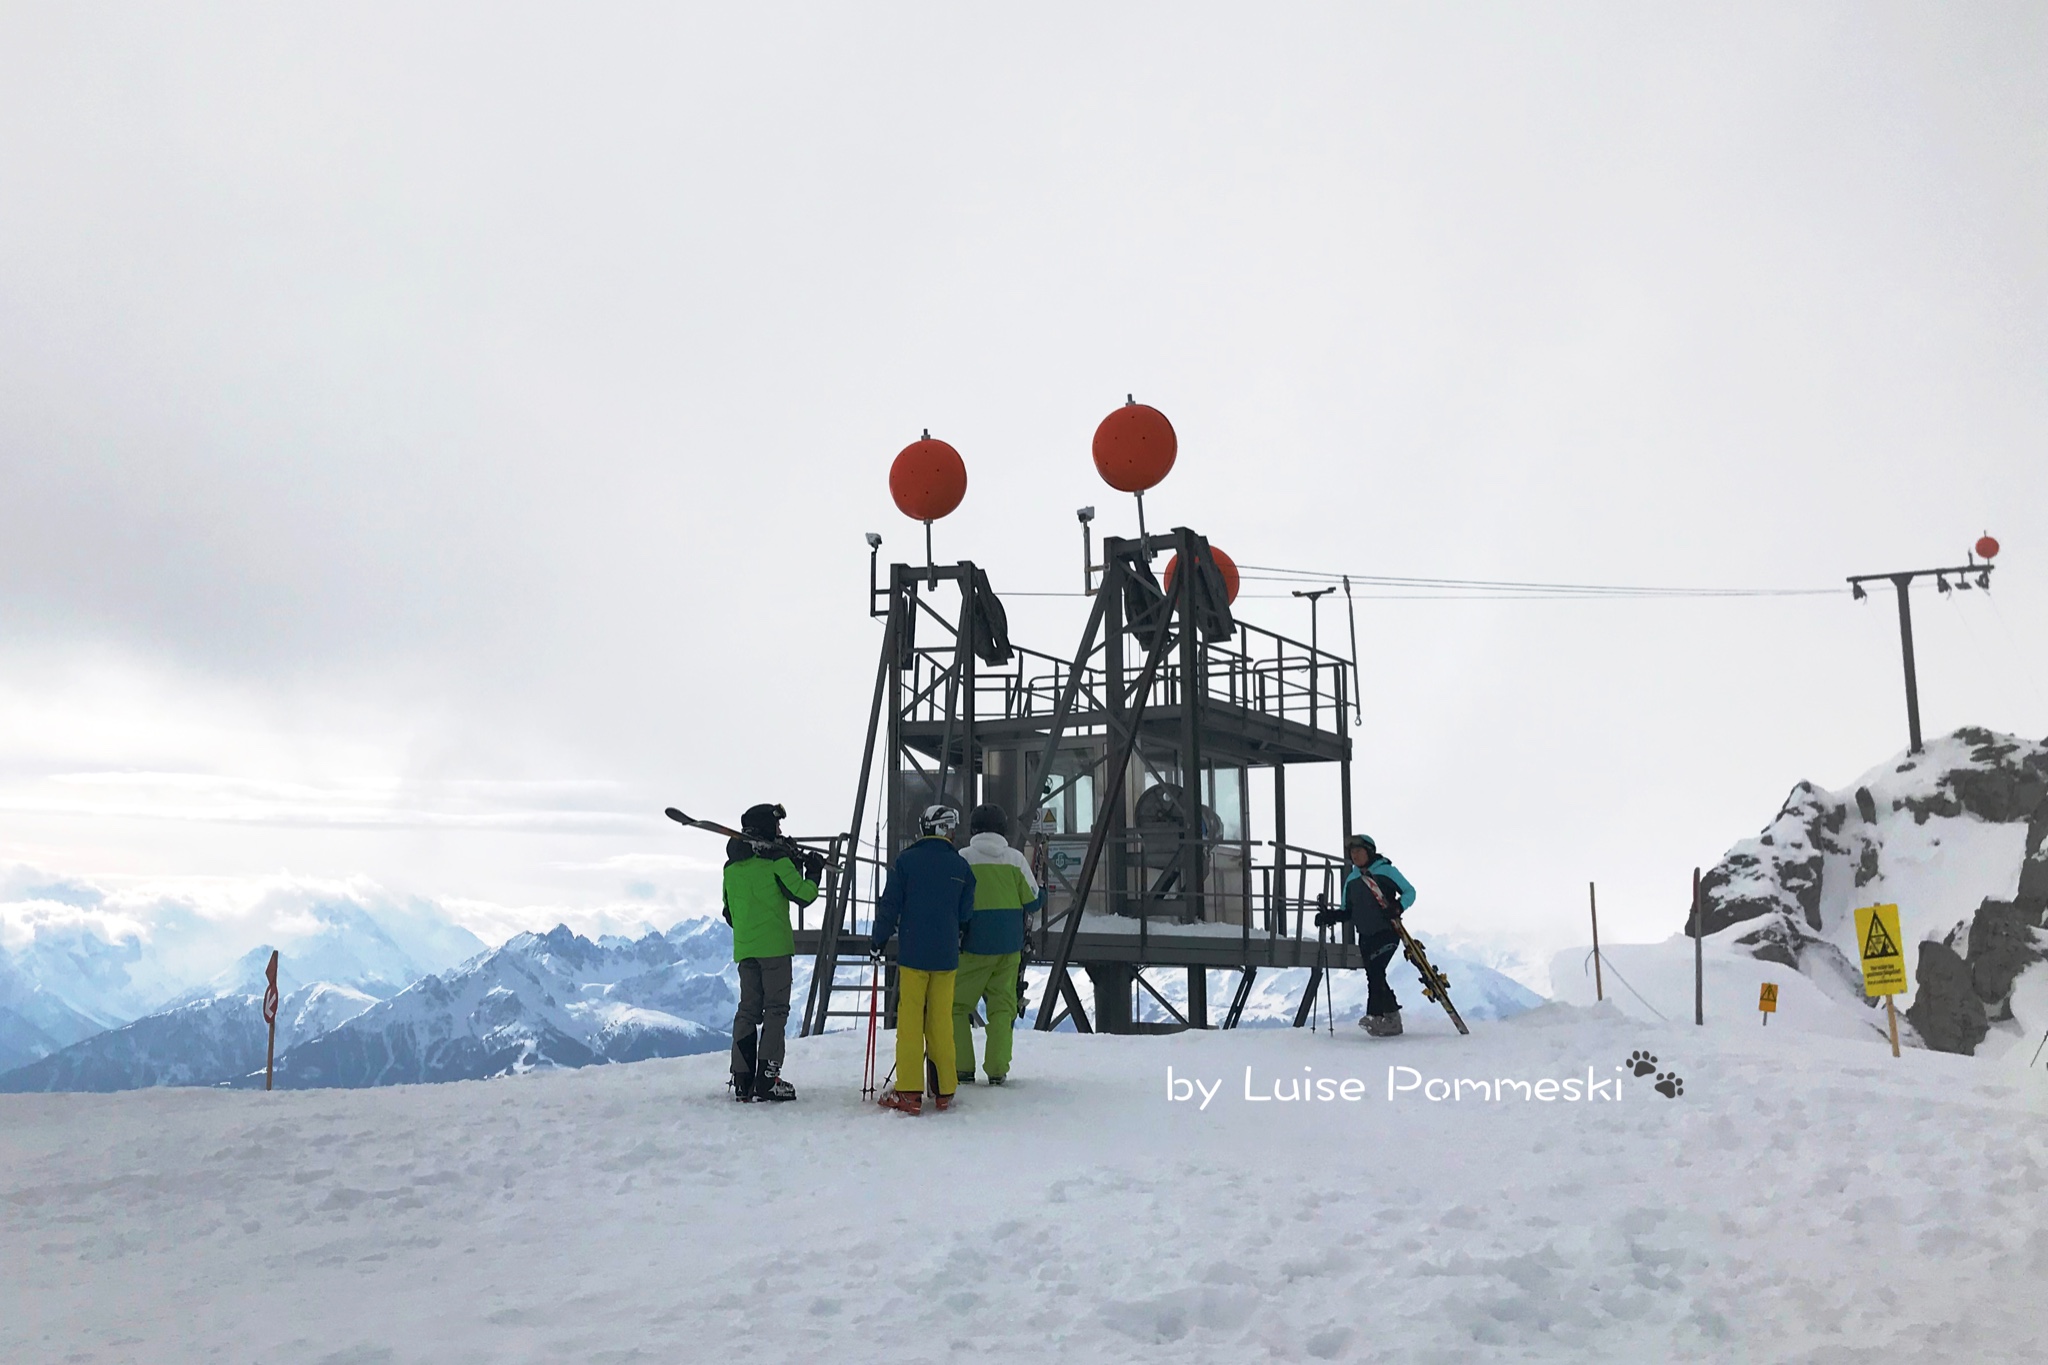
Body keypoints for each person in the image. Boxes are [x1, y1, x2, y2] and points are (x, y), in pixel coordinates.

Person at [870, 803, 977, 1115]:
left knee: (911, 1021)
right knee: (941, 1021)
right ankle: (944, 1089)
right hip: (946, 955)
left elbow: (890, 905)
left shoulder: (905, 862)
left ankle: (909, 1091)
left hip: (914, 954)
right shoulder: (961, 867)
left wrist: (878, 940)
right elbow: (966, 914)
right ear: (946, 829)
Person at [723, 802, 823, 1101]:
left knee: (747, 1011)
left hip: (745, 949)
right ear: (767, 827)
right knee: (775, 1011)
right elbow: (803, 895)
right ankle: (768, 1078)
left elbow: (728, 912)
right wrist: (813, 872)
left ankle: (742, 1078)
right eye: (777, 826)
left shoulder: (731, 867)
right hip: (775, 949)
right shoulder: (776, 862)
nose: (780, 831)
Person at [954, 803, 1044, 1087]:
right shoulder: (1015, 859)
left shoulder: (962, 858)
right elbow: (1034, 901)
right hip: (1009, 946)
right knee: (1002, 1007)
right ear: (1003, 829)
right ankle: (996, 1070)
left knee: (956, 1007)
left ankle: (962, 1068)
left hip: (972, 945)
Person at [1319, 833, 1417, 1036]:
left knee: (1375, 971)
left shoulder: (1386, 871)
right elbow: (1348, 910)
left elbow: (1410, 892)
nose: (1354, 855)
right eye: (1352, 852)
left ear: (1369, 852)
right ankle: (1391, 1019)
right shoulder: (1352, 879)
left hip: (1388, 932)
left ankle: (1375, 1015)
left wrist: (1398, 906)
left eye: (1358, 851)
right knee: (1374, 973)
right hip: (1365, 934)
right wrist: (1330, 916)